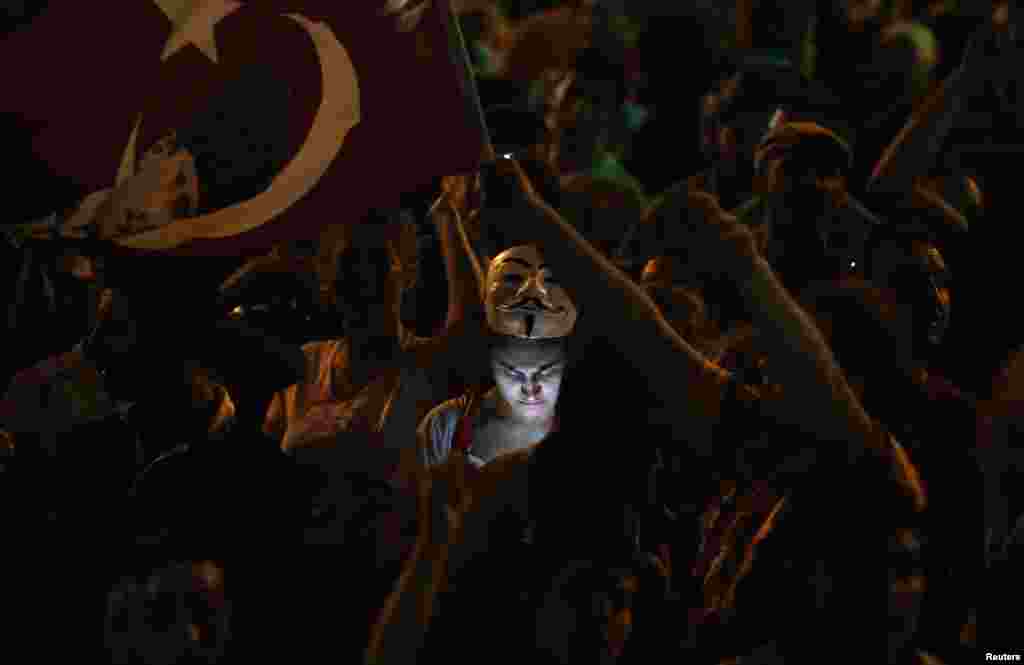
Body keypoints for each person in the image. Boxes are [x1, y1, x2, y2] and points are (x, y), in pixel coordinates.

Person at [370, 158, 925, 663]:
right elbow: (649, 342)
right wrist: (532, 218)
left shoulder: (861, 469)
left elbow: (791, 384)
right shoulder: (755, 445)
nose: (739, 368)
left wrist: (744, 265)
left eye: (766, 363)